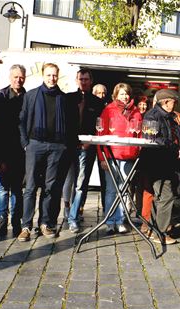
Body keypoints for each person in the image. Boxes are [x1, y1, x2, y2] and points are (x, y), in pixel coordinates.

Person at [19, 63, 78, 242]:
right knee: (30, 187)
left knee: (50, 187)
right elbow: (22, 121)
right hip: (35, 145)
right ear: (43, 75)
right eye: (48, 75)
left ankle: (46, 223)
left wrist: (66, 146)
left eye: (54, 75)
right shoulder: (31, 96)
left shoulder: (64, 99)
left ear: (57, 76)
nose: (51, 78)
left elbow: (72, 124)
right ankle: (26, 226)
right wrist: (25, 143)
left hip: (57, 147)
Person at [140, 89, 180, 245]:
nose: (175, 104)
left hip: (165, 162)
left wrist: (178, 146)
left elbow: (172, 137)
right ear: (166, 102)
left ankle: (153, 229)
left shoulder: (167, 117)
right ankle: (161, 232)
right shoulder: (153, 116)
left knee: (159, 196)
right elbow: (152, 139)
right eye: (174, 101)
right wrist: (174, 147)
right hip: (157, 162)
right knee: (166, 196)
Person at [64, 69, 105, 233]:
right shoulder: (68, 99)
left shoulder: (97, 102)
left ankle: (74, 216)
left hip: (87, 147)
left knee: (81, 184)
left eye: (86, 79)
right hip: (69, 147)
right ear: (76, 80)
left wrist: (90, 141)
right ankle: (68, 211)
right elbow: (65, 123)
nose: (83, 81)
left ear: (91, 81)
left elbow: (99, 127)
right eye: (81, 79)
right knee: (68, 182)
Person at [99, 83, 142, 234]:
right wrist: (102, 157)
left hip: (129, 156)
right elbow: (101, 135)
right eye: (121, 94)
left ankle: (121, 220)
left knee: (124, 190)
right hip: (111, 155)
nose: (124, 97)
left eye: (126, 94)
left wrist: (137, 152)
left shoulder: (136, 111)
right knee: (111, 190)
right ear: (116, 95)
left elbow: (139, 134)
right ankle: (110, 221)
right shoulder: (109, 109)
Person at [0, 64, 26, 239]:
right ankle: (2, 222)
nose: (18, 80)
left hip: (20, 152)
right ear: (9, 77)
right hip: (4, 151)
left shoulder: (28, 98)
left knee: (17, 190)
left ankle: (16, 223)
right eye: (15, 77)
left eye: (21, 77)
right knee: (3, 189)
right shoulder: (0, 98)